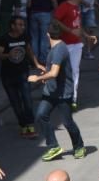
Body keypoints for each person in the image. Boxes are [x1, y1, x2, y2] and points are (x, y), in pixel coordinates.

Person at [29, 21, 86, 161]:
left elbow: (54, 73)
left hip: (63, 93)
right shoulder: (55, 48)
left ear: (47, 34)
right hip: (51, 91)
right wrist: (45, 75)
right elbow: (54, 71)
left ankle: (79, 146)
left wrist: (37, 78)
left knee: (67, 122)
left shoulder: (60, 49)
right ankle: (53, 146)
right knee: (41, 115)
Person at [52, 0, 97, 108]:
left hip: (76, 44)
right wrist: (70, 30)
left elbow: (78, 25)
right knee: (61, 71)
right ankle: (60, 94)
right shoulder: (64, 6)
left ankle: (73, 98)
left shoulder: (77, 8)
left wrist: (86, 36)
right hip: (65, 44)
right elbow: (55, 20)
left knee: (75, 70)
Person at [0, 15, 40, 139]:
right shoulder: (4, 39)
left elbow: (29, 50)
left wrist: (37, 64)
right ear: (12, 26)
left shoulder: (25, 36)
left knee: (27, 100)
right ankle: (23, 125)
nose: (22, 27)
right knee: (15, 102)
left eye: (23, 25)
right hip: (8, 76)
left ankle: (30, 125)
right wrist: (8, 54)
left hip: (23, 73)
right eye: (19, 25)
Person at [28, 0, 57, 64]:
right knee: (44, 37)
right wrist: (57, 13)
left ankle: (34, 59)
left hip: (33, 12)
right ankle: (43, 59)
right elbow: (53, 0)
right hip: (45, 13)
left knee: (34, 37)